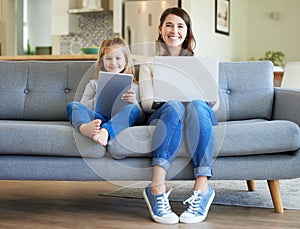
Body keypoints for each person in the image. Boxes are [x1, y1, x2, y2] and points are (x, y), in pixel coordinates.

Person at [139, 7, 218, 224]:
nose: (174, 31)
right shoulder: (149, 63)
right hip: (166, 113)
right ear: (160, 29)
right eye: (169, 25)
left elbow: (215, 102)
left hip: (197, 114)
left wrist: (198, 97)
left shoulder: (198, 63)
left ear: (187, 32)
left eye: (180, 26)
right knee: (176, 105)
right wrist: (171, 95)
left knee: (197, 105)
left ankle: (202, 188)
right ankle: (156, 188)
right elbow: (146, 103)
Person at [66, 37, 143, 146]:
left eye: (118, 58)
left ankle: (106, 131)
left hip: (119, 120)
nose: (113, 62)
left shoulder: (133, 86)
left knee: (133, 109)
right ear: (102, 61)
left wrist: (134, 101)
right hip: (97, 119)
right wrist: (97, 97)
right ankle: (84, 128)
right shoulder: (93, 84)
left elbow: (141, 118)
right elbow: (83, 106)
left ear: (126, 61)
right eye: (108, 58)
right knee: (73, 105)